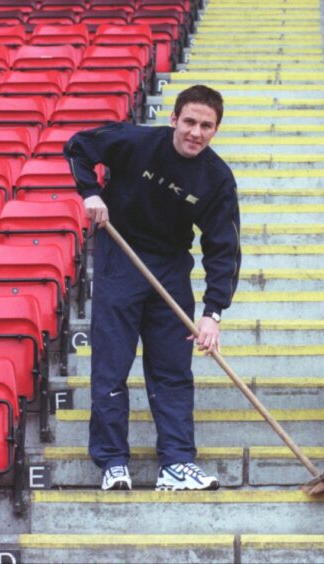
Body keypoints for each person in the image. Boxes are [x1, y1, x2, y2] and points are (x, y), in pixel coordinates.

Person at [64, 85, 241, 491]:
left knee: (173, 369)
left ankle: (176, 464)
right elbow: (78, 147)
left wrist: (213, 313)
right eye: (190, 122)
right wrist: (90, 192)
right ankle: (112, 462)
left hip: (170, 266)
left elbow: (223, 247)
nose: (196, 132)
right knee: (111, 363)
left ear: (216, 130)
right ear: (174, 119)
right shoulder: (136, 141)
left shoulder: (216, 179)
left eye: (206, 126)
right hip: (120, 253)